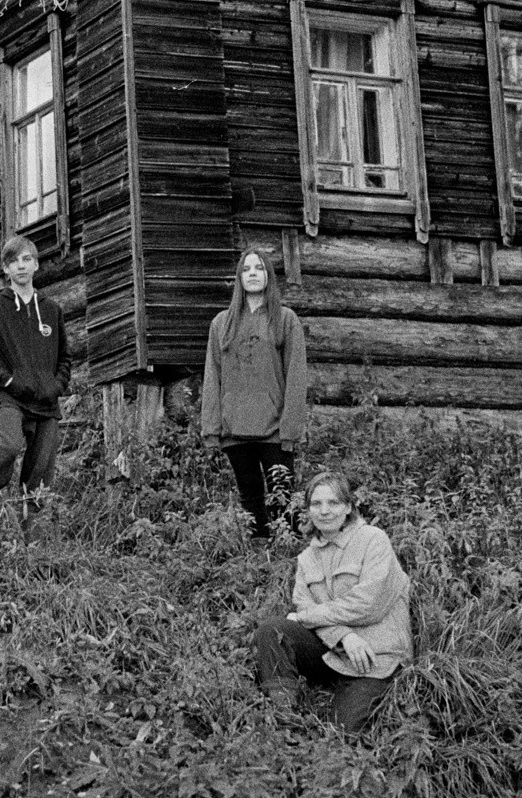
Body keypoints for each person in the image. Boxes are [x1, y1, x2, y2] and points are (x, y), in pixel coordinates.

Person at [251, 471, 411, 733]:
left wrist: (306, 617)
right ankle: (283, 721)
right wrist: (344, 636)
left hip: (375, 659)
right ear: (309, 510)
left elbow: (369, 605)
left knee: (340, 733)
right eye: (316, 504)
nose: (325, 511)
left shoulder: (373, 540)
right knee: (272, 630)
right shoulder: (306, 558)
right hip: (332, 650)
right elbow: (304, 607)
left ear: (348, 507)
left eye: (333, 503)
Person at [202, 247, 309, 538]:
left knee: (282, 499)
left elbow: (297, 376)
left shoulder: (285, 319)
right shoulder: (221, 324)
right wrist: (212, 429)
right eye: (246, 269)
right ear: (239, 278)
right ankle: (258, 563)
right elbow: (212, 376)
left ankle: (286, 561)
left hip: (274, 428)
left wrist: (290, 428)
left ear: (269, 277)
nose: (252, 274)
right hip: (234, 429)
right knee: (250, 500)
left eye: (259, 268)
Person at [0, 235, 71, 501]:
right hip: (12, 399)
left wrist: (56, 385)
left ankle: (31, 538)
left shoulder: (51, 310)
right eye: (13, 261)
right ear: (6, 269)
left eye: (27, 259)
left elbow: (65, 358)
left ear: (36, 265)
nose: (21, 266)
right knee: (8, 445)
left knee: (39, 479)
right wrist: (9, 381)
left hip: (47, 405)